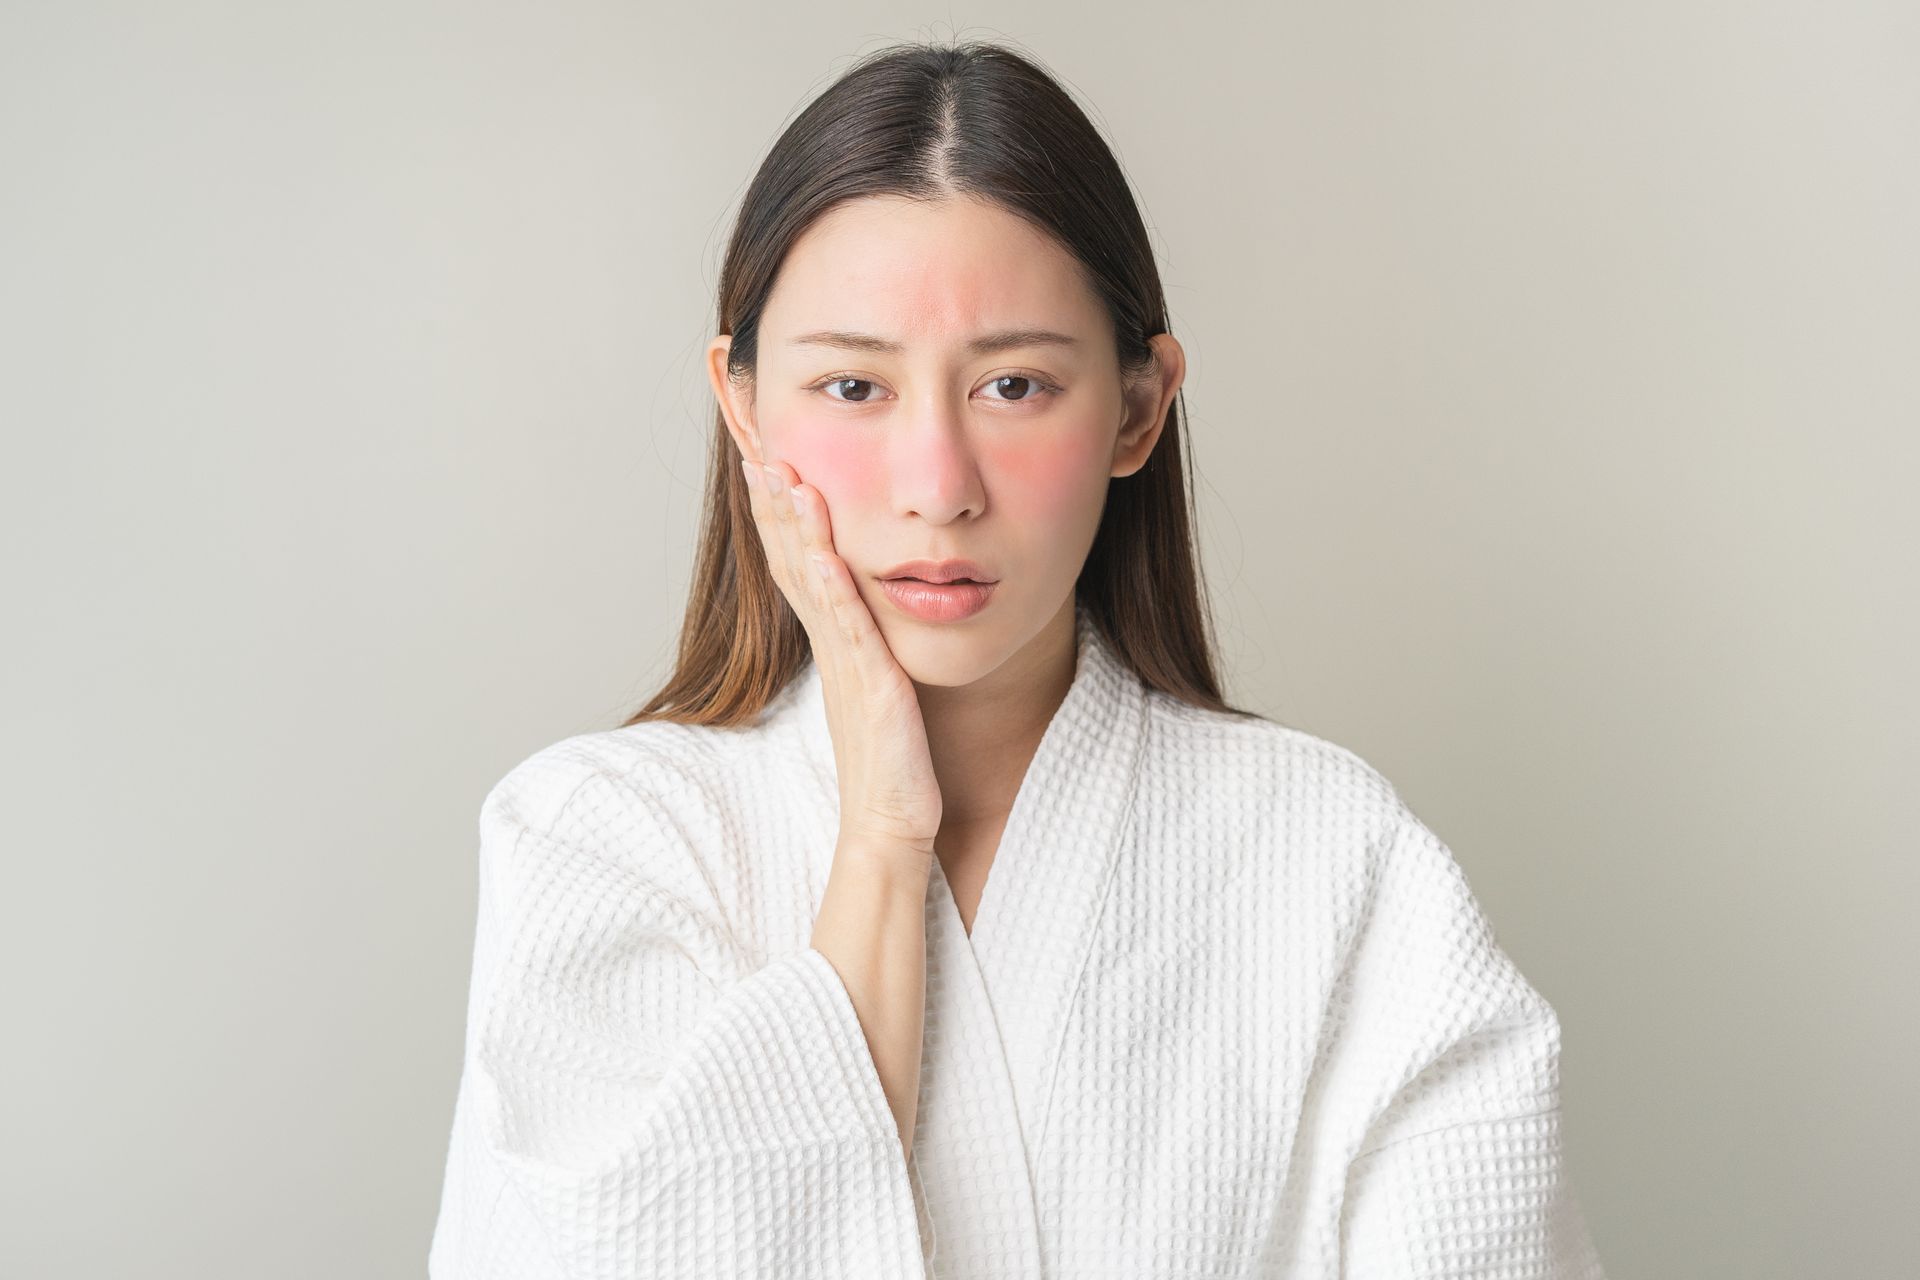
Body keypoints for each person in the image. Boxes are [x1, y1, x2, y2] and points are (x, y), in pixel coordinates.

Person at [427, 39, 1607, 1279]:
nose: (937, 487)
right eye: (850, 385)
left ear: (1139, 409)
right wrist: (883, 827)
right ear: (742, 405)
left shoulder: (1337, 860)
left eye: (1014, 385)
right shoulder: (599, 840)